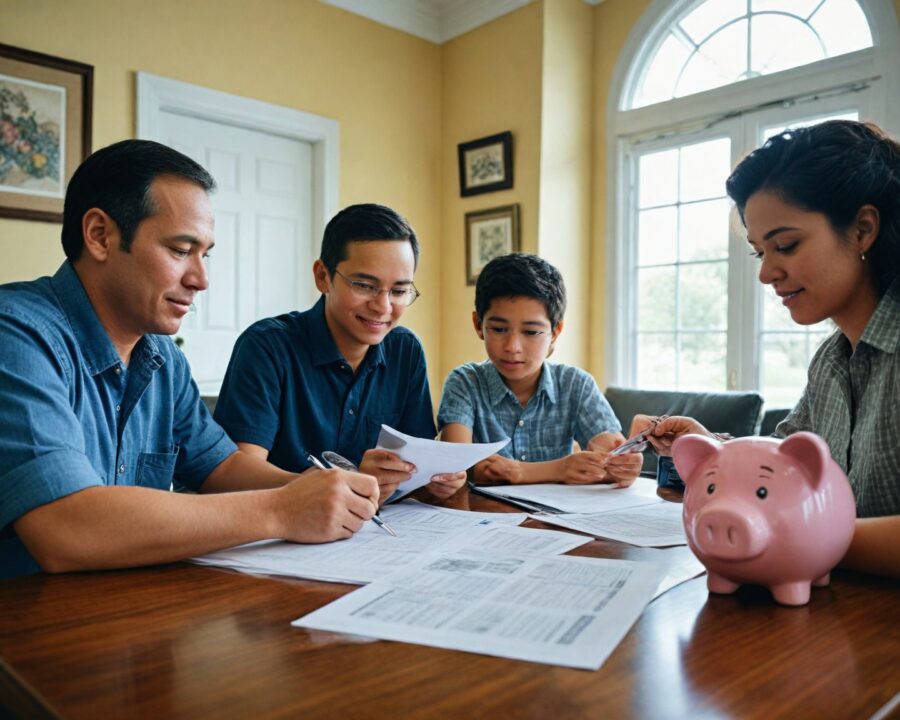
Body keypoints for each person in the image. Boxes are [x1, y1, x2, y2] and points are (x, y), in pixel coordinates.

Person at [0, 140, 379, 579]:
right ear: (101, 235)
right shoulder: (17, 335)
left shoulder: (162, 356)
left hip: (123, 615)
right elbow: (65, 528)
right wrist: (281, 509)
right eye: (181, 251)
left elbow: (220, 465)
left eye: (205, 254)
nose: (201, 280)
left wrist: (323, 492)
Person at [635, 120, 900, 578]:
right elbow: (782, 468)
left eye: (786, 245)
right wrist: (713, 458)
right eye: (761, 252)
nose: (766, 274)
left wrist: (795, 533)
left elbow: (785, 508)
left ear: (862, 229)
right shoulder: (830, 362)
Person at [214, 203, 466, 503]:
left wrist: (434, 480)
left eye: (399, 291)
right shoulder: (267, 346)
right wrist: (338, 486)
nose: (383, 307)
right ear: (323, 276)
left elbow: (416, 466)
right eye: (364, 285)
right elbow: (233, 476)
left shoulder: (405, 350)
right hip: (281, 533)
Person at [438, 253, 643, 486]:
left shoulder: (576, 385)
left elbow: (610, 454)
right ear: (478, 325)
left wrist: (621, 466)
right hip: (481, 518)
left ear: (555, 333)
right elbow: (456, 466)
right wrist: (558, 469)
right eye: (498, 329)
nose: (513, 347)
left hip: (555, 519)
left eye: (531, 332)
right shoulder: (464, 383)